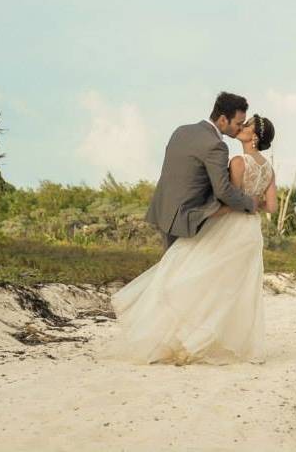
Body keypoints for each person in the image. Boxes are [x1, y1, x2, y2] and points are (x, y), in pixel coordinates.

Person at [104, 93, 277, 364]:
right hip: (205, 219)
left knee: (178, 279)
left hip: (167, 211)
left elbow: (180, 174)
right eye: (238, 122)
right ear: (223, 118)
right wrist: (249, 203)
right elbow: (225, 191)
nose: (238, 128)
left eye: (244, 125)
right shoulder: (219, 148)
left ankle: (163, 342)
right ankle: (175, 341)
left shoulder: (181, 132)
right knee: (197, 284)